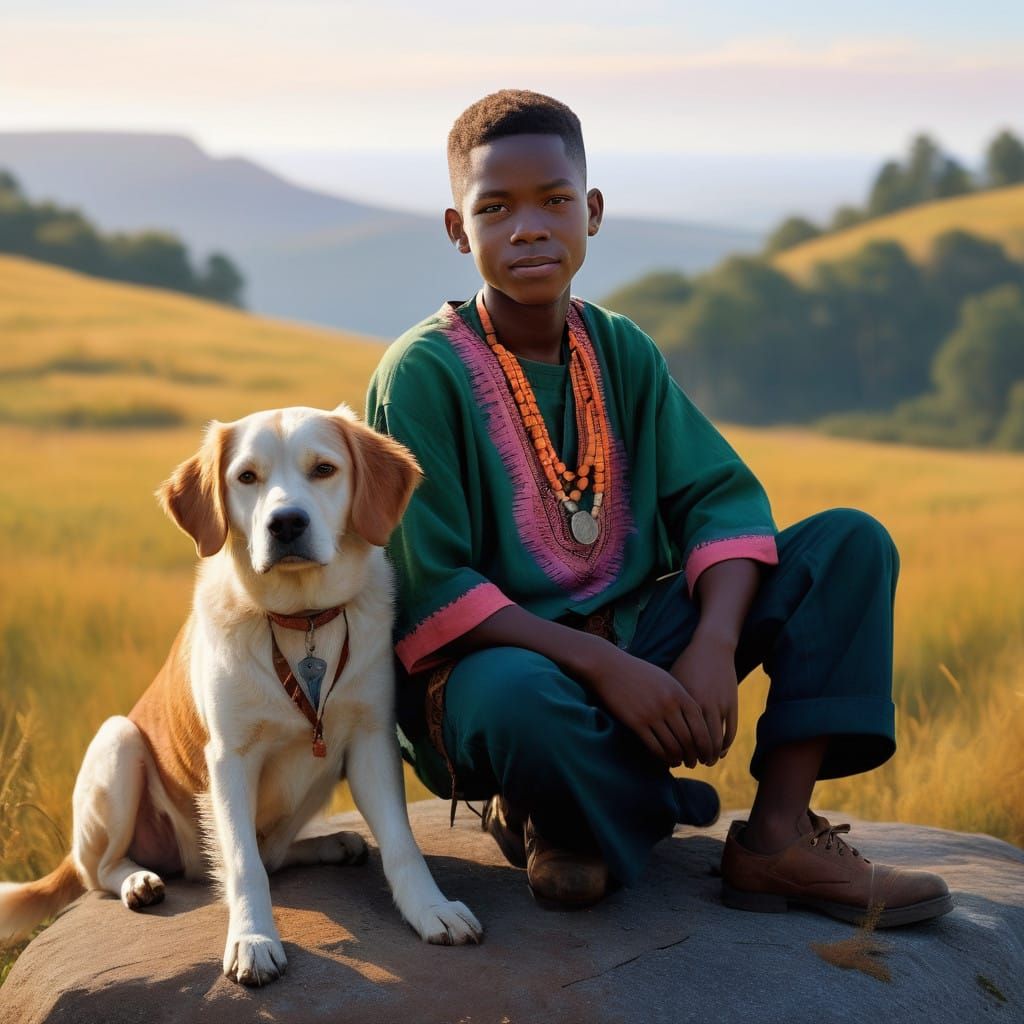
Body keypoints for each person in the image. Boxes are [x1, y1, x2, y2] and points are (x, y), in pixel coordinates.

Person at [364, 89, 952, 924]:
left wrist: (711, 644)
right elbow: (430, 589)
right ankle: (575, 813)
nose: (528, 227)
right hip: (501, 671)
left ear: (592, 212)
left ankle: (773, 839)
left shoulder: (621, 349)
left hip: (648, 637)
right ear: (460, 231)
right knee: (517, 701)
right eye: (495, 208)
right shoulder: (419, 373)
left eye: (554, 200)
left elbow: (718, 500)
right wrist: (607, 668)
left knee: (849, 547)